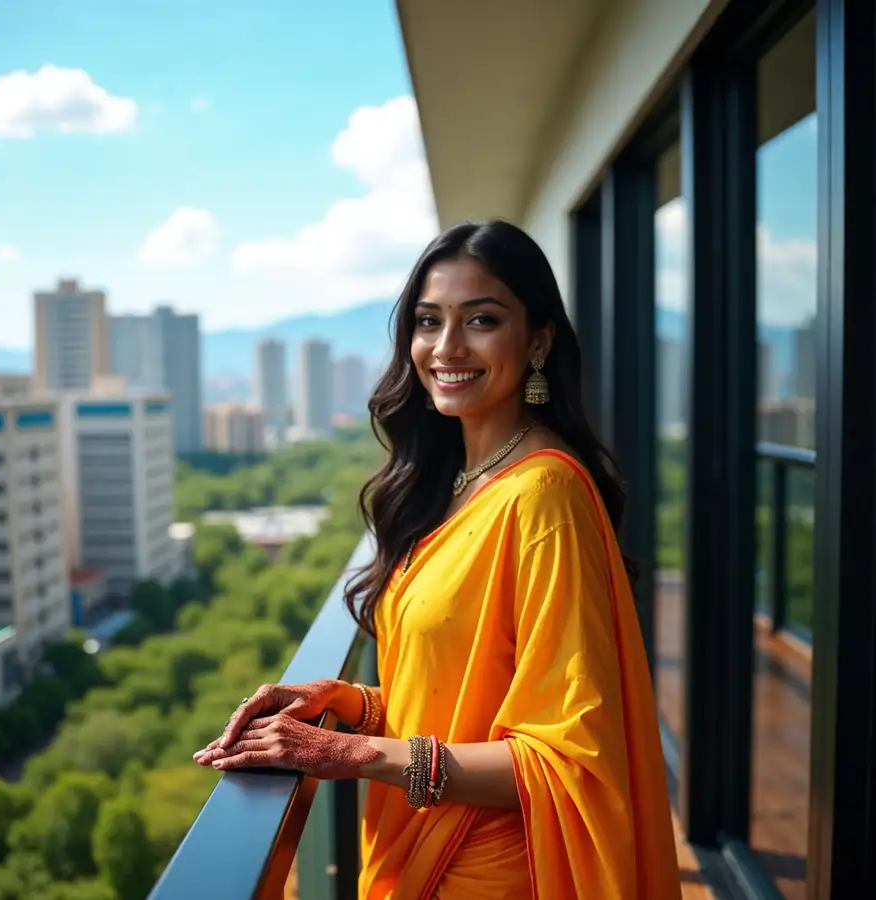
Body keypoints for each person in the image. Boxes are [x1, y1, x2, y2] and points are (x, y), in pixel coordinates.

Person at [194, 219, 682, 898]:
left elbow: (566, 758)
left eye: (481, 320)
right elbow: (466, 691)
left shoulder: (543, 494)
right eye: (429, 321)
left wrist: (353, 753)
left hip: (488, 870)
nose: (447, 347)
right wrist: (346, 706)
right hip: (414, 854)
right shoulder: (457, 483)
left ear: (538, 340)